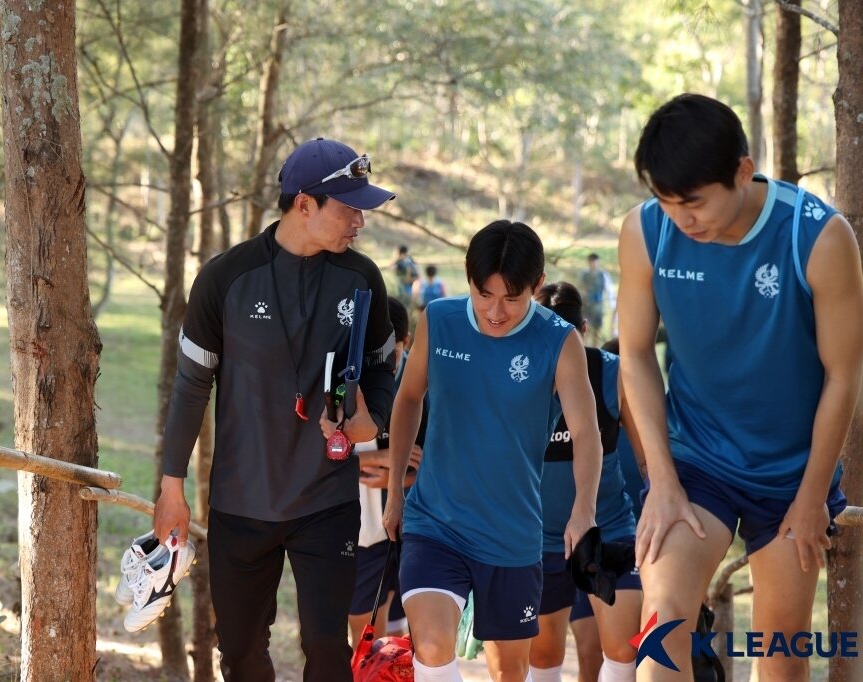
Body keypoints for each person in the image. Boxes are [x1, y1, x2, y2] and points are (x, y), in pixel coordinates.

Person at [617, 93, 863, 681]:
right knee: (663, 621)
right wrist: (661, 478)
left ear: (742, 172)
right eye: (666, 201)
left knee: (780, 654)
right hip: (695, 463)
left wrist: (809, 500)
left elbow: (844, 375)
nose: (681, 219)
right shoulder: (646, 232)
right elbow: (635, 355)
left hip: (790, 475)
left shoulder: (820, 238)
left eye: (694, 203)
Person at [153, 137, 398, 682]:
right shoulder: (225, 279)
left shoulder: (362, 280)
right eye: (349, 206)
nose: (360, 220)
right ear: (304, 204)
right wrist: (172, 487)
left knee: (327, 646)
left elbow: (384, 370)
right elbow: (191, 386)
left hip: (327, 499)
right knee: (239, 650)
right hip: (242, 501)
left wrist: (372, 420)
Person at [383, 220, 603, 682]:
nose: (496, 311)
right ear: (468, 280)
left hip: (513, 535)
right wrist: (395, 491)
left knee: (510, 672)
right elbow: (408, 398)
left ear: (537, 285)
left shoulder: (560, 342)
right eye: (484, 294)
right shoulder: (438, 320)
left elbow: (586, 434)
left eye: (512, 297)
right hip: (435, 523)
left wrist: (583, 510)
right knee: (432, 646)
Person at [529, 282, 642, 682]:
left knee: (623, 648)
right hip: (538, 540)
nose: (561, 351)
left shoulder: (612, 374)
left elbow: (650, 460)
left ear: (584, 330)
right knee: (543, 655)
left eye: (568, 338)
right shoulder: (520, 374)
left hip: (608, 528)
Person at [349, 297, 428, 648]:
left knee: (419, 634)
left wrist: (400, 478)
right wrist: (380, 459)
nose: (380, 364)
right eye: (371, 354)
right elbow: (319, 463)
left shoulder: (427, 385)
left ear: (406, 342)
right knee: (366, 632)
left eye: (390, 353)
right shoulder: (347, 386)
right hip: (364, 531)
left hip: (419, 530)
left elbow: (434, 461)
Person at [579, 253, 614, 345]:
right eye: (591, 261)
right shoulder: (583, 275)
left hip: (598, 306)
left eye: (595, 261)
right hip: (586, 306)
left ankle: (595, 350)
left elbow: (609, 290)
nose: (593, 264)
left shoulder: (603, 275)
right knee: (585, 330)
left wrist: (611, 306)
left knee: (596, 331)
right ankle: (585, 350)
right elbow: (580, 288)